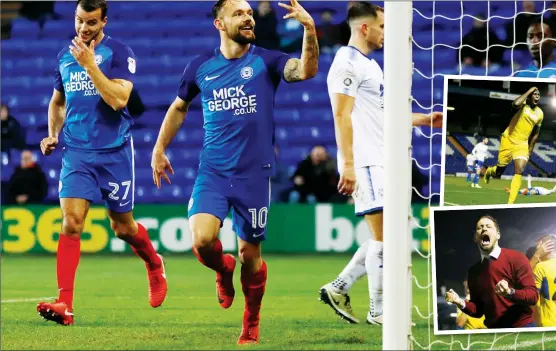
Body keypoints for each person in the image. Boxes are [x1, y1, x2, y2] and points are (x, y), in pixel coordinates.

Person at [150, 0, 318, 344]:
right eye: (239, 13)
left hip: (254, 175)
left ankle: (251, 322)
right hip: (212, 170)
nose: (248, 18)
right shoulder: (200, 66)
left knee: (249, 255)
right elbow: (179, 107)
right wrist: (158, 148)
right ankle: (222, 270)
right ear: (219, 23)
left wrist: (309, 30)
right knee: (201, 240)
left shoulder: (267, 61)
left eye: (250, 13)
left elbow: (305, 71)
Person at [36, 0, 167, 326]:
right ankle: (65, 304)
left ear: (104, 22)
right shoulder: (64, 57)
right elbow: (58, 102)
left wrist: (91, 66)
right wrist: (53, 133)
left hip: (114, 152)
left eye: (91, 22)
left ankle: (153, 262)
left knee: (123, 228)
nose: (83, 28)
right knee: (72, 222)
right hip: (77, 153)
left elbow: (119, 99)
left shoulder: (120, 53)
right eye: (80, 20)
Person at [318, 1, 443, 326]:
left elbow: (385, 112)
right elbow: (341, 115)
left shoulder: (370, 66)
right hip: (367, 161)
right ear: (364, 28)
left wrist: (424, 120)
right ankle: (379, 311)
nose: (387, 33)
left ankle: (338, 287)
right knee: (387, 239)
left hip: (382, 160)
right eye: (384, 27)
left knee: (388, 237)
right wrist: (347, 164)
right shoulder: (346, 64)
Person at [445, 215, 539, 329]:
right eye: (480, 228)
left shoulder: (517, 258)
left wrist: (510, 292)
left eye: (488, 226)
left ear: (498, 235)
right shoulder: (473, 271)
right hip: (493, 331)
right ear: (475, 237)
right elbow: (478, 310)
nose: (484, 229)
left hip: (522, 327)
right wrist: (460, 302)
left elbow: (533, 296)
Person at [483, 86, 543, 204]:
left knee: (519, 170)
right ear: (530, 96)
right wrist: (530, 90)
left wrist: (530, 149)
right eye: (534, 94)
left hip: (522, 144)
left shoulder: (540, 113)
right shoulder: (523, 105)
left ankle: (510, 203)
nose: (537, 96)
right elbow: (515, 104)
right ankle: (489, 171)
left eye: (538, 94)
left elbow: (536, 133)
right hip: (508, 140)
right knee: (499, 172)